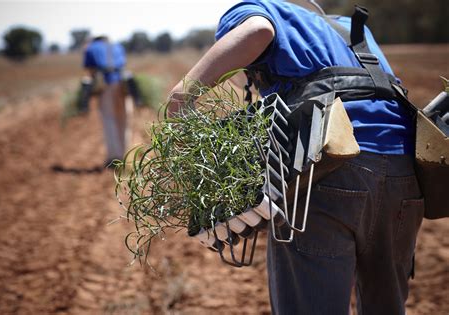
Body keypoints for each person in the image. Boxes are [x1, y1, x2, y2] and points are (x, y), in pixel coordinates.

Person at [168, 1, 423, 314]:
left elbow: (258, 30)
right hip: (404, 171)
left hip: (330, 166)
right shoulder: (352, 27)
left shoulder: (260, 9)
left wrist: (180, 98)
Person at [83, 36, 128, 167]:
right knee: (123, 119)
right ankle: (124, 154)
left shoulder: (90, 47)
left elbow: (91, 71)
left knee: (109, 119)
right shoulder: (117, 45)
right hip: (123, 84)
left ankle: (114, 158)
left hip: (107, 85)